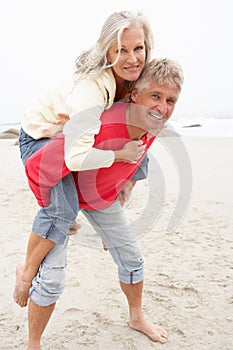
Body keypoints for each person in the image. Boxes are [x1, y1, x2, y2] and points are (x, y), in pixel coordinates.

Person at [21, 58, 184, 348]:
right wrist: (56, 211)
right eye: (156, 96)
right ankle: (33, 340)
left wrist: (123, 194)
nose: (163, 107)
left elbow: (138, 161)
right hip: (62, 188)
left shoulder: (153, 123)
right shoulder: (103, 124)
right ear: (135, 95)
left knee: (133, 258)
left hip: (100, 199)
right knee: (52, 278)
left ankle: (136, 316)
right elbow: (39, 165)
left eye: (170, 100)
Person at [13, 10, 154, 308]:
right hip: (43, 139)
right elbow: (76, 158)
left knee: (141, 159)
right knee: (63, 212)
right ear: (108, 51)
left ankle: (111, 214)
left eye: (138, 48)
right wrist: (118, 154)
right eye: (121, 50)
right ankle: (25, 273)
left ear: (147, 46)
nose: (132, 58)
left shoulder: (136, 79)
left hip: (75, 136)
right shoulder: (90, 91)